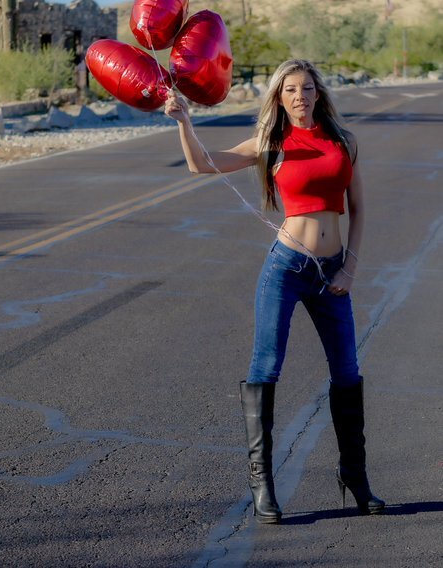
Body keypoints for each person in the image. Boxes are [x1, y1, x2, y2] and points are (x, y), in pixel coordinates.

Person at [164, 58, 385, 524]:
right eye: (290, 90)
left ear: (319, 93)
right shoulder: (271, 141)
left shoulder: (344, 141)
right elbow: (201, 164)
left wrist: (350, 268)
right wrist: (184, 120)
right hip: (286, 267)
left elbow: (359, 208)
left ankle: (355, 475)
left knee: (347, 373)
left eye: (307, 88)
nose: (300, 96)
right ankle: (262, 483)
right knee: (266, 367)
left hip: (332, 273)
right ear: (279, 99)